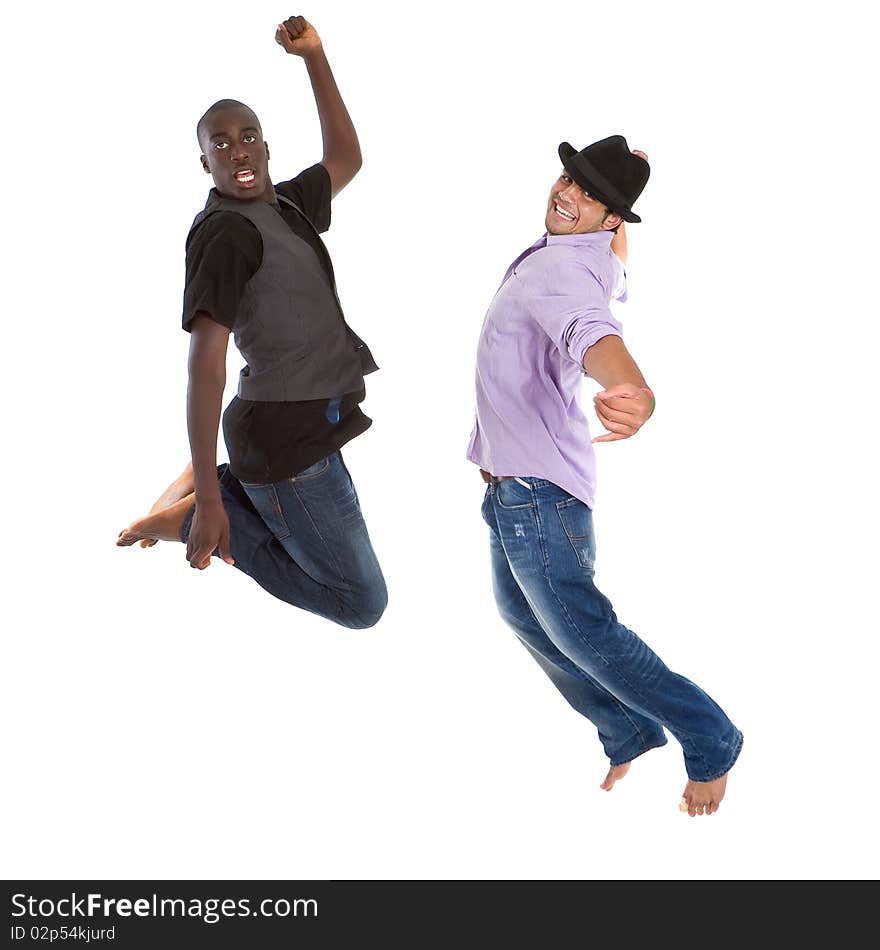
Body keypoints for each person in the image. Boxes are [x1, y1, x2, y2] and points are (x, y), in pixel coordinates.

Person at [467, 135, 742, 816]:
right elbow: (616, 265)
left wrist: (636, 391)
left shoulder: (562, 274)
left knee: (583, 631)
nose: (569, 195)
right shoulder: (591, 253)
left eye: (592, 196)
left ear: (611, 218)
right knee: (522, 614)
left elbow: (593, 334)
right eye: (569, 179)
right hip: (513, 488)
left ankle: (710, 737)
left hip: (537, 495)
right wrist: (631, 173)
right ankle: (626, 727)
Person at [117, 16, 387, 630]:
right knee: (361, 603)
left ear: (265, 146)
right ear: (204, 161)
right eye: (221, 143)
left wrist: (314, 56)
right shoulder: (226, 235)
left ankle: (211, 479)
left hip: (311, 427)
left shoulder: (283, 204)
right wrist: (208, 509)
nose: (237, 150)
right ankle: (194, 509)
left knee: (345, 574)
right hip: (284, 445)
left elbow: (347, 157)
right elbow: (205, 366)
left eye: (248, 136)